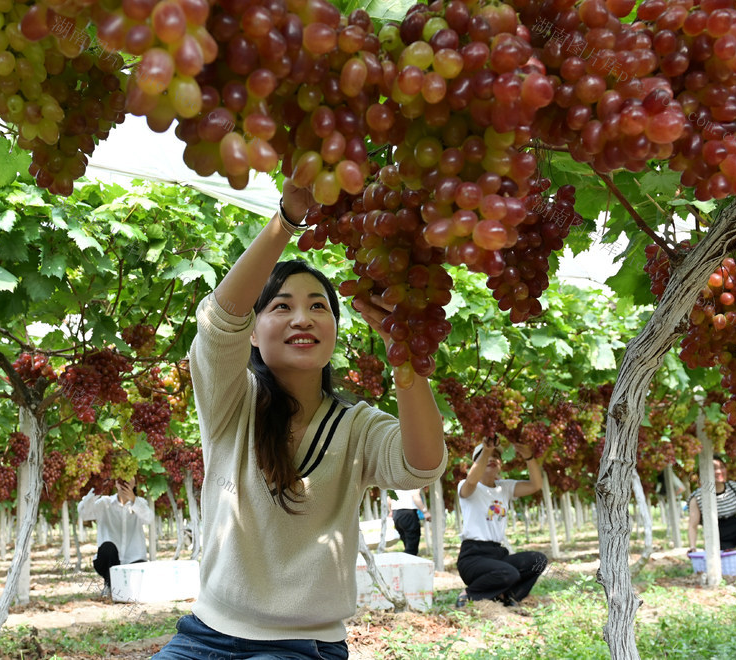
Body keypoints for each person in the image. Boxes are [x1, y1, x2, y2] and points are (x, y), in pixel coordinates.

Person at [153, 182, 447, 660]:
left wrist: (404, 352)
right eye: (281, 306)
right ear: (252, 332)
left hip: (303, 647)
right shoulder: (232, 402)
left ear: (334, 329)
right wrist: (287, 218)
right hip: (205, 636)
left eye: (318, 307)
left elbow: (422, 465)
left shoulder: (358, 425)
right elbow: (219, 322)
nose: (303, 318)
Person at [455, 436, 546, 608]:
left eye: (496, 456)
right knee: (508, 573)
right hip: (473, 557)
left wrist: (529, 457)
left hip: (497, 553)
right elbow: (472, 480)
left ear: (501, 464)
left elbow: (536, 485)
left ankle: (508, 596)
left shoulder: (505, 488)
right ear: (476, 463)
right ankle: (469, 593)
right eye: (485, 456)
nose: (492, 458)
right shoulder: (467, 486)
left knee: (538, 560)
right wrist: (487, 449)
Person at [77, 477, 153, 597]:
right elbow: (84, 513)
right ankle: (109, 585)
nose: (124, 481)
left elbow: (149, 518)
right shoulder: (104, 503)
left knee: (132, 590)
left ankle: (117, 588)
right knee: (108, 547)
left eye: (128, 478)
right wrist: (96, 490)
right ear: (115, 483)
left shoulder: (140, 503)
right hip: (107, 561)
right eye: (120, 479)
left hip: (134, 561)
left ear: (135, 482)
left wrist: (133, 499)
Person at [391, 488, 430, 556]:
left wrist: (391, 511)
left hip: (396, 513)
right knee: (411, 548)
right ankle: (404, 561)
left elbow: (389, 499)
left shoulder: (394, 483)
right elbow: (415, 496)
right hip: (408, 513)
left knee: (407, 544)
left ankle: (405, 560)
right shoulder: (412, 482)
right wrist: (425, 511)